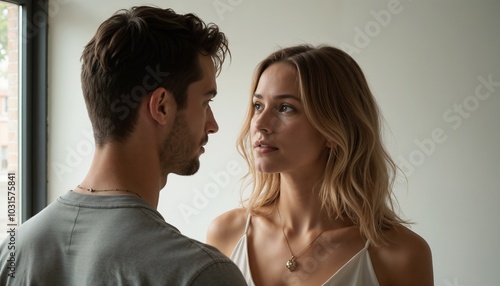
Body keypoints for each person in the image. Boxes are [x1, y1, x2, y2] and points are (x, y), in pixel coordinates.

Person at [0, 6, 246, 285]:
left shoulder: (13, 253)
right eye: (206, 102)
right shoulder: (201, 273)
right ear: (162, 106)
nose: (212, 125)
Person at [207, 45, 434, 285]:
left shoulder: (399, 254)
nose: (259, 124)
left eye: (285, 108)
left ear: (333, 131)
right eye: (258, 105)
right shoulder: (226, 234)